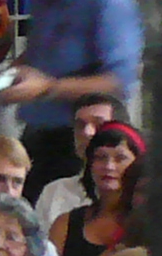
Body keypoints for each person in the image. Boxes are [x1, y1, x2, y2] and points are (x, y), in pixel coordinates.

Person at [0, 0, 143, 196]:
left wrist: (46, 87)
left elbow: (119, 80)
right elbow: (41, 54)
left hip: (83, 142)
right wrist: (11, 75)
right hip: (36, 133)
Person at [46, 121, 144, 256]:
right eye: (100, 157)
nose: (109, 166)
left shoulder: (145, 226)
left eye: (120, 158)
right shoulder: (65, 223)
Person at [30, 91, 123, 230]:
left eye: (99, 125)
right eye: (80, 125)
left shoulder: (139, 193)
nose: (87, 132)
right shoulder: (54, 192)